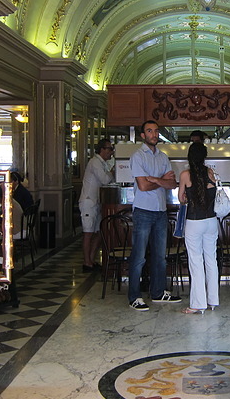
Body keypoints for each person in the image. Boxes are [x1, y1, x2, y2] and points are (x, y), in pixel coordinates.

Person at [128, 120, 182, 311]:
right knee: (139, 257)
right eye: (149, 131)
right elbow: (142, 186)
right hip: (143, 211)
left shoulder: (163, 157)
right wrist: (161, 181)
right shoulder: (137, 156)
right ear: (143, 135)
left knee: (160, 257)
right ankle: (134, 296)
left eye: (156, 131)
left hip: (160, 211)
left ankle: (158, 293)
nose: (154, 134)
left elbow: (173, 183)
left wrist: (154, 180)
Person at [178, 142, 219, 314]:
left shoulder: (185, 175)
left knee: (196, 261)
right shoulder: (210, 173)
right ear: (204, 156)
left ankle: (197, 304)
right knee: (211, 260)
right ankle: (212, 300)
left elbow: (181, 199)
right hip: (211, 221)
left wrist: (188, 195)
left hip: (194, 221)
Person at [79, 138, 115, 272]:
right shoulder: (95, 162)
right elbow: (105, 180)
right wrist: (112, 172)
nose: (111, 152)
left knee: (99, 232)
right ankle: (86, 262)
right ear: (102, 150)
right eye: (110, 149)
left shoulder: (103, 163)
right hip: (89, 202)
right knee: (88, 233)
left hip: (96, 202)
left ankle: (91, 259)